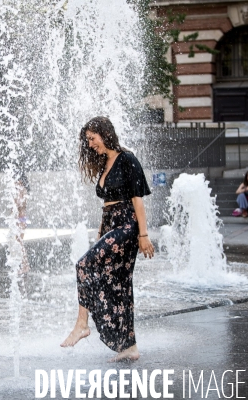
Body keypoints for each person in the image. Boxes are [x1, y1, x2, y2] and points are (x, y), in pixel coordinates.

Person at [60, 116, 154, 363]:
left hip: (127, 224)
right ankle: (129, 346)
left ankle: (82, 324)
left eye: (92, 138)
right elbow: (106, 205)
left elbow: (137, 201)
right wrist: (101, 234)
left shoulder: (127, 159)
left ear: (105, 134)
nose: (90, 144)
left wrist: (143, 235)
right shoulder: (105, 162)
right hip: (111, 224)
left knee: (84, 264)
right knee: (118, 283)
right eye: (88, 140)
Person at [14, 173, 30, 275]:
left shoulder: (22, 191)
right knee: (18, 242)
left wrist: (14, 201)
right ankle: (23, 264)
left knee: (20, 242)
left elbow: (20, 204)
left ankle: (25, 266)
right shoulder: (21, 191)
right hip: (20, 218)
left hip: (21, 219)